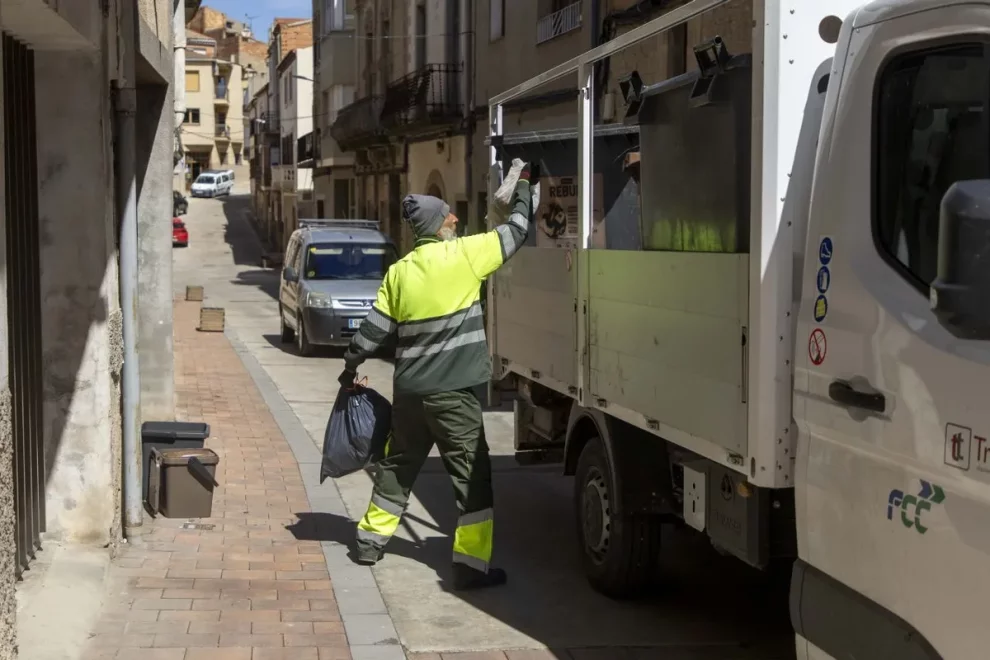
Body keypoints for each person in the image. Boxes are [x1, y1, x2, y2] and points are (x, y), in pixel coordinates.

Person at [337, 161, 536, 590]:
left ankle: (368, 544)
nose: (456, 218)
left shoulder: (400, 271)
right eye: (449, 215)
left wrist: (350, 367)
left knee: (397, 467)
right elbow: (518, 230)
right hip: (453, 396)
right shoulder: (465, 255)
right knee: (472, 478)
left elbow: (372, 332)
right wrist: (524, 187)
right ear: (436, 225)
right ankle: (469, 566)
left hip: (410, 395)